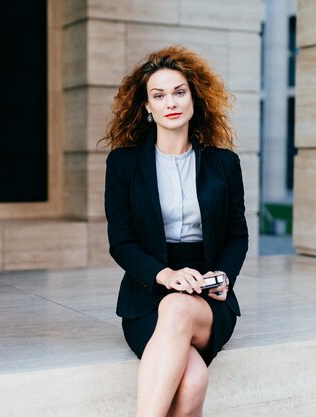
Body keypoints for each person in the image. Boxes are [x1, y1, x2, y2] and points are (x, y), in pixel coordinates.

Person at [102, 45, 248, 417]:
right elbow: (121, 241)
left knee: (180, 307)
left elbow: (237, 236)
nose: (171, 102)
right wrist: (164, 274)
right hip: (147, 291)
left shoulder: (224, 164)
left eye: (179, 91)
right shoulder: (123, 164)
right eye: (159, 94)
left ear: (194, 98)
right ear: (147, 107)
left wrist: (223, 276)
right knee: (194, 381)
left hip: (207, 295)